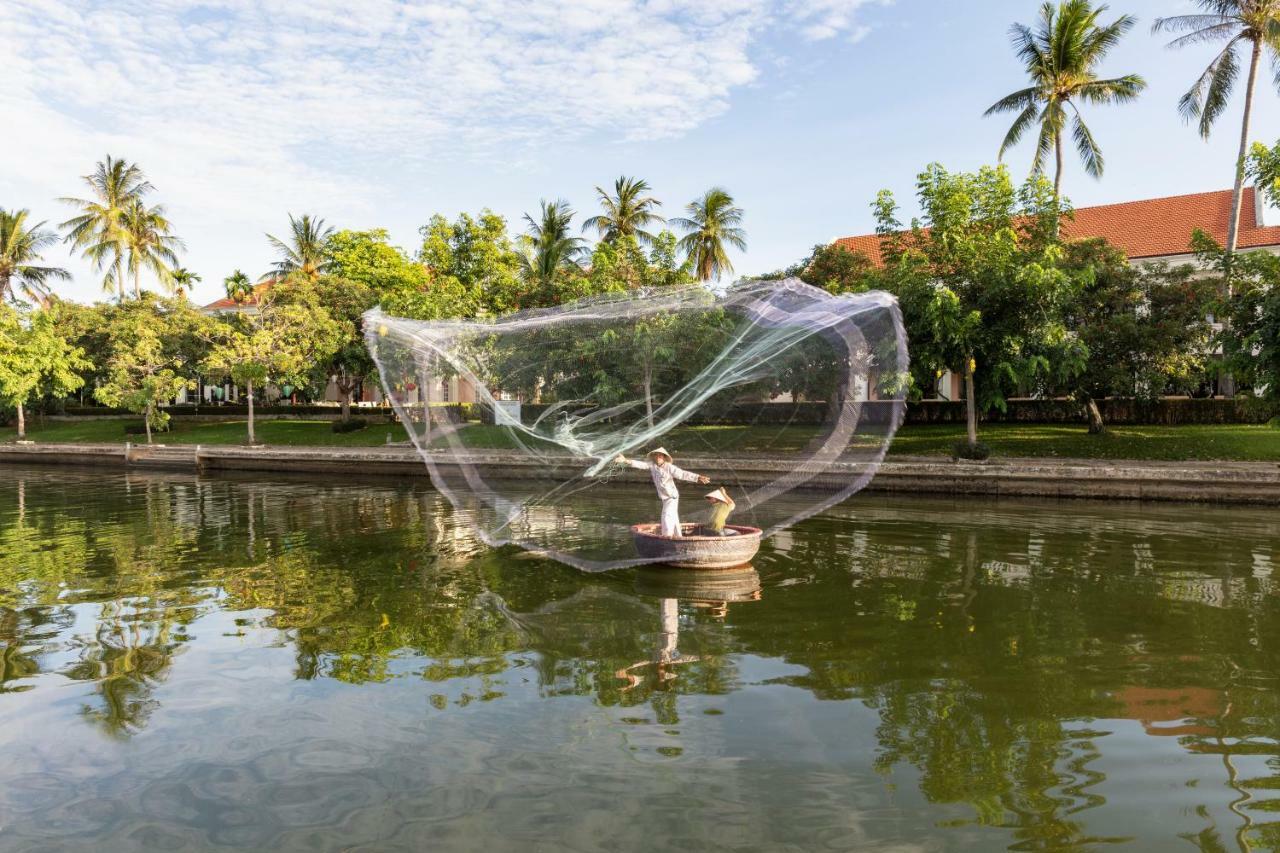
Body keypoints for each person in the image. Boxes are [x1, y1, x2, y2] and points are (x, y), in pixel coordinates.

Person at [615, 447, 710, 538]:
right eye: (656, 455)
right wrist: (625, 460)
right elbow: (641, 464)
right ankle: (678, 537)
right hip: (665, 497)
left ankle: (667, 537)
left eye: (660, 455)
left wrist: (697, 477)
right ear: (654, 457)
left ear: (664, 457)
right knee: (673, 517)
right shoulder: (652, 465)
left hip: (671, 496)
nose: (658, 457)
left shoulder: (669, 467)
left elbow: (682, 474)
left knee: (666, 516)